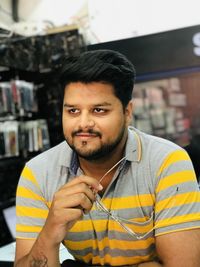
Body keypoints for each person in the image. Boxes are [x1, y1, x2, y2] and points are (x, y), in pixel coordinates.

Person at [14, 49, 200, 267]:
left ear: (127, 112)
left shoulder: (167, 163)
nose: (83, 123)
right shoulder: (38, 174)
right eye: (73, 111)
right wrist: (50, 232)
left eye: (99, 110)